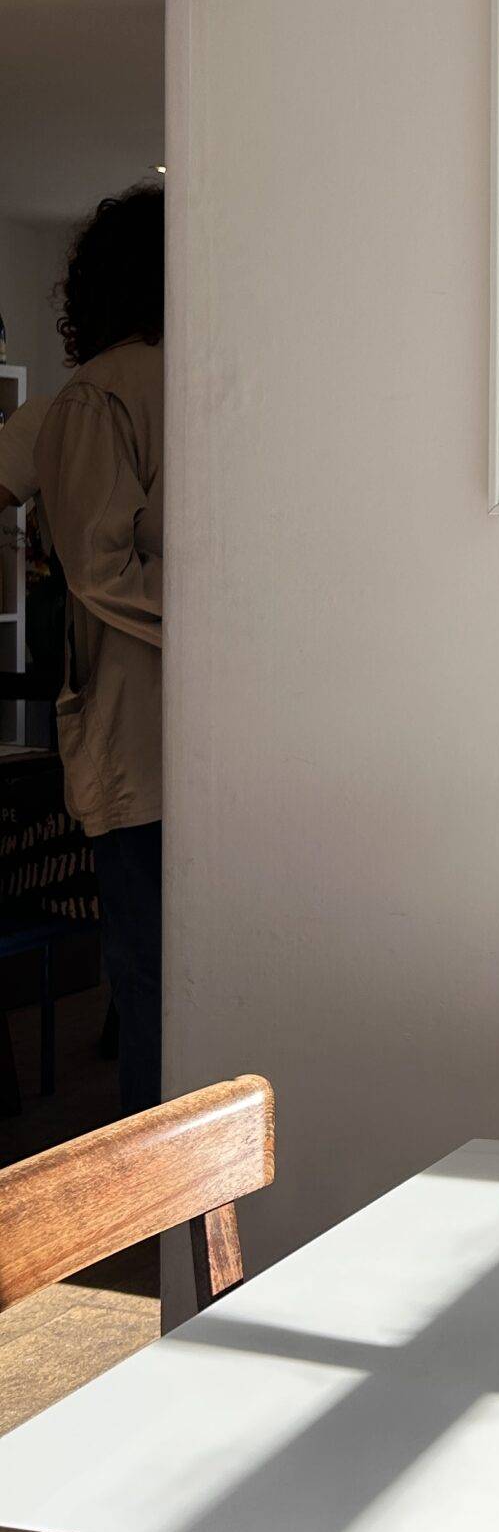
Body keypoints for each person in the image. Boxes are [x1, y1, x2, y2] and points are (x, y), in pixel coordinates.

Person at [33, 188, 164, 1113]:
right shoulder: (206, 382)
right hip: (194, 726)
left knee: (155, 974)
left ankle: (163, 1231)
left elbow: (99, 567)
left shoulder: (98, 397)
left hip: (142, 733)